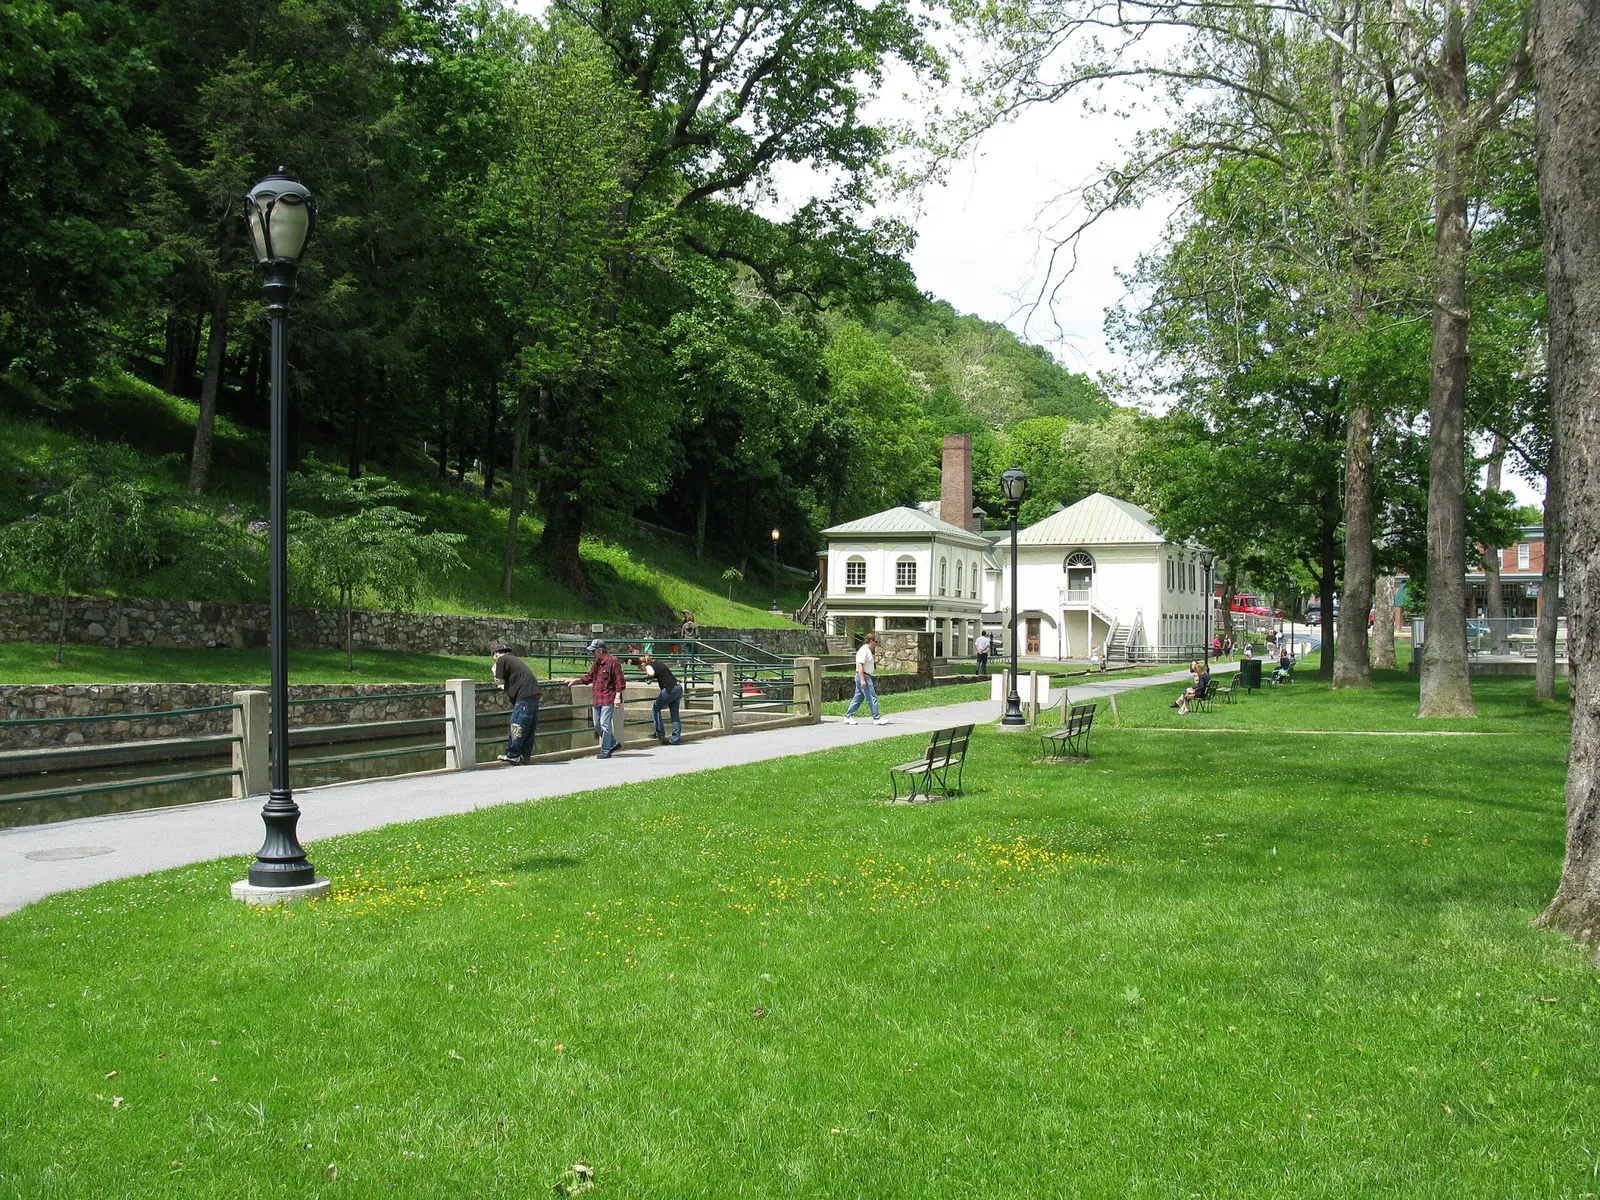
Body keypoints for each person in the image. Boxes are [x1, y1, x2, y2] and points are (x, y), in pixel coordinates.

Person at [572, 639, 626, 758]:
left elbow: (619, 681)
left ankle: (606, 750)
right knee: (597, 725)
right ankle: (613, 743)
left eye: (594, 651)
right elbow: (588, 677)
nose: (592, 653)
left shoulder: (613, 661)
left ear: (600, 650)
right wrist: (575, 681)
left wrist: (617, 697)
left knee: (604, 724)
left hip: (608, 697)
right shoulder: (597, 663)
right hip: (597, 698)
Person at [491, 642, 541, 764]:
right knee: (529, 727)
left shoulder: (502, 660)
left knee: (517, 724)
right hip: (533, 695)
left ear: (496, 654)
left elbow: (499, 681)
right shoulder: (513, 660)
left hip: (524, 696)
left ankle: (513, 754)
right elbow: (512, 680)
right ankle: (524, 755)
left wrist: (494, 671)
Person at [844, 632, 887, 725]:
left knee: (858, 698)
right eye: (876, 641)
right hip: (864, 676)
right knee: (872, 697)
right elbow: (860, 666)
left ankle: (848, 716)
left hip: (864, 676)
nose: (876, 644)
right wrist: (863, 679)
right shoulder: (864, 651)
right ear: (871, 641)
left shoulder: (867, 650)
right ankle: (876, 718)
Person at [640, 653, 682, 744]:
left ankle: (659, 734)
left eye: (640, 668)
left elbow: (651, 673)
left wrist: (648, 675)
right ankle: (676, 738)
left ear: (643, 664)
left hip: (669, 689)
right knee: (675, 713)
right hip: (678, 687)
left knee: (656, 708)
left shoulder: (649, 666)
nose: (642, 669)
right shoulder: (658, 663)